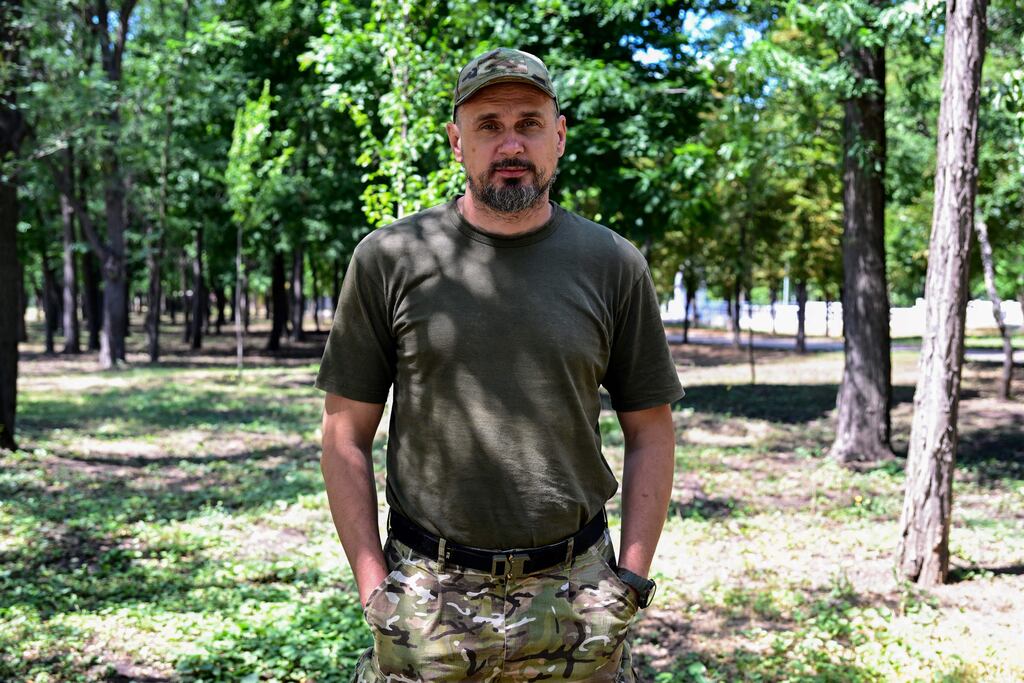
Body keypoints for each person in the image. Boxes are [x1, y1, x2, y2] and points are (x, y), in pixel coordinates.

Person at [316, 47, 683, 683]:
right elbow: (344, 434)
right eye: (488, 125)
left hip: (578, 596)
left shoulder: (613, 264)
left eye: (528, 123)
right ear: (457, 141)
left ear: (559, 136)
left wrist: (629, 579)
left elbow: (650, 429)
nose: (509, 144)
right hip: (428, 598)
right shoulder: (390, 258)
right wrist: (376, 588)